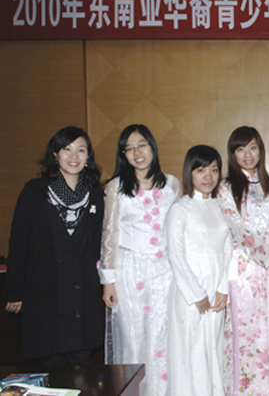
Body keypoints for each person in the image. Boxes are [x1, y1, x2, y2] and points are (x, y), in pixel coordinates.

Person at [5, 126, 104, 365]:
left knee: (82, 368)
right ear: (55, 154)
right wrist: (15, 291)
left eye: (81, 150)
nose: (74, 156)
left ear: (88, 157)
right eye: (67, 149)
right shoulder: (35, 192)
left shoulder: (95, 195)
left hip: (82, 295)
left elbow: (98, 247)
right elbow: (19, 244)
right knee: (50, 363)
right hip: (45, 292)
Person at [99, 124, 181, 396]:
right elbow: (110, 234)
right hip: (128, 271)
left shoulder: (172, 184)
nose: (137, 152)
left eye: (141, 145)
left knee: (162, 335)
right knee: (132, 338)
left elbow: (179, 231)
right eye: (129, 148)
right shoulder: (116, 187)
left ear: (152, 147)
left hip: (164, 271)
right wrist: (108, 280)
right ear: (124, 154)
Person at [217, 126, 269, 396]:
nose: (247, 154)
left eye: (252, 147)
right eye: (240, 149)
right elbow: (239, 230)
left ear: (261, 150)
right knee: (248, 335)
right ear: (233, 154)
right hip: (245, 271)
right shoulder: (226, 189)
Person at [166, 145, 232, 395]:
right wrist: (196, 293)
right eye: (201, 170)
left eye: (214, 170)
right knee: (191, 350)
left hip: (216, 288)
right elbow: (175, 255)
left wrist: (223, 287)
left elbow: (227, 249)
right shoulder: (180, 209)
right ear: (189, 172)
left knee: (213, 348)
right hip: (190, 292)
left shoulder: (221, 206)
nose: (208, 177)